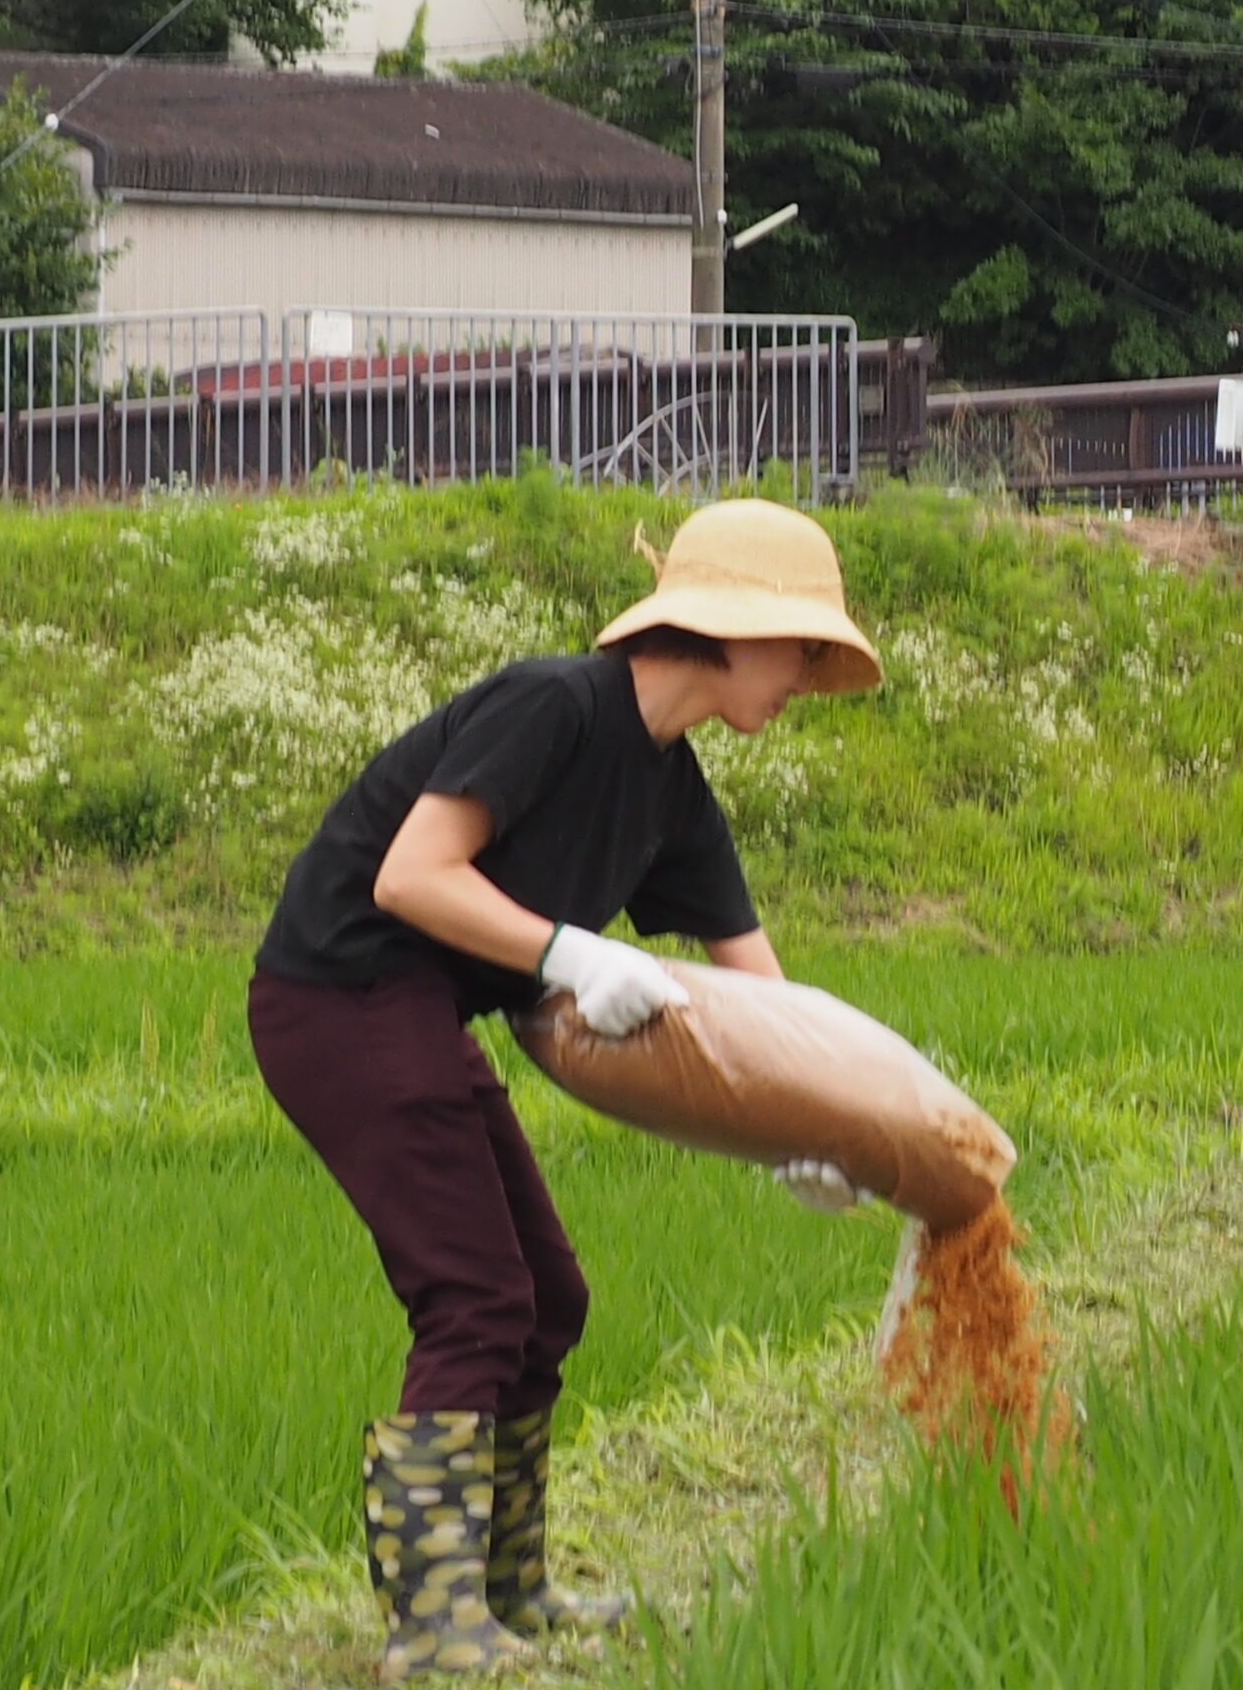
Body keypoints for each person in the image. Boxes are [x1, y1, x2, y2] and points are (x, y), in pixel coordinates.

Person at [245, 499, 881, 1681]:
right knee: (475, 1293)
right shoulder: (557, 705)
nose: (802, 678)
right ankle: (431, 1630)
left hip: (416, 1010)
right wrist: (574, 954)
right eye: (800, 648)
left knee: (547, 1296)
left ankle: (510, 1590)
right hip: (335, 995)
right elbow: (410, 875)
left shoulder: (672, 791)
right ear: (731, 629)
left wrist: (820, 1129)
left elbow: (768, 999)